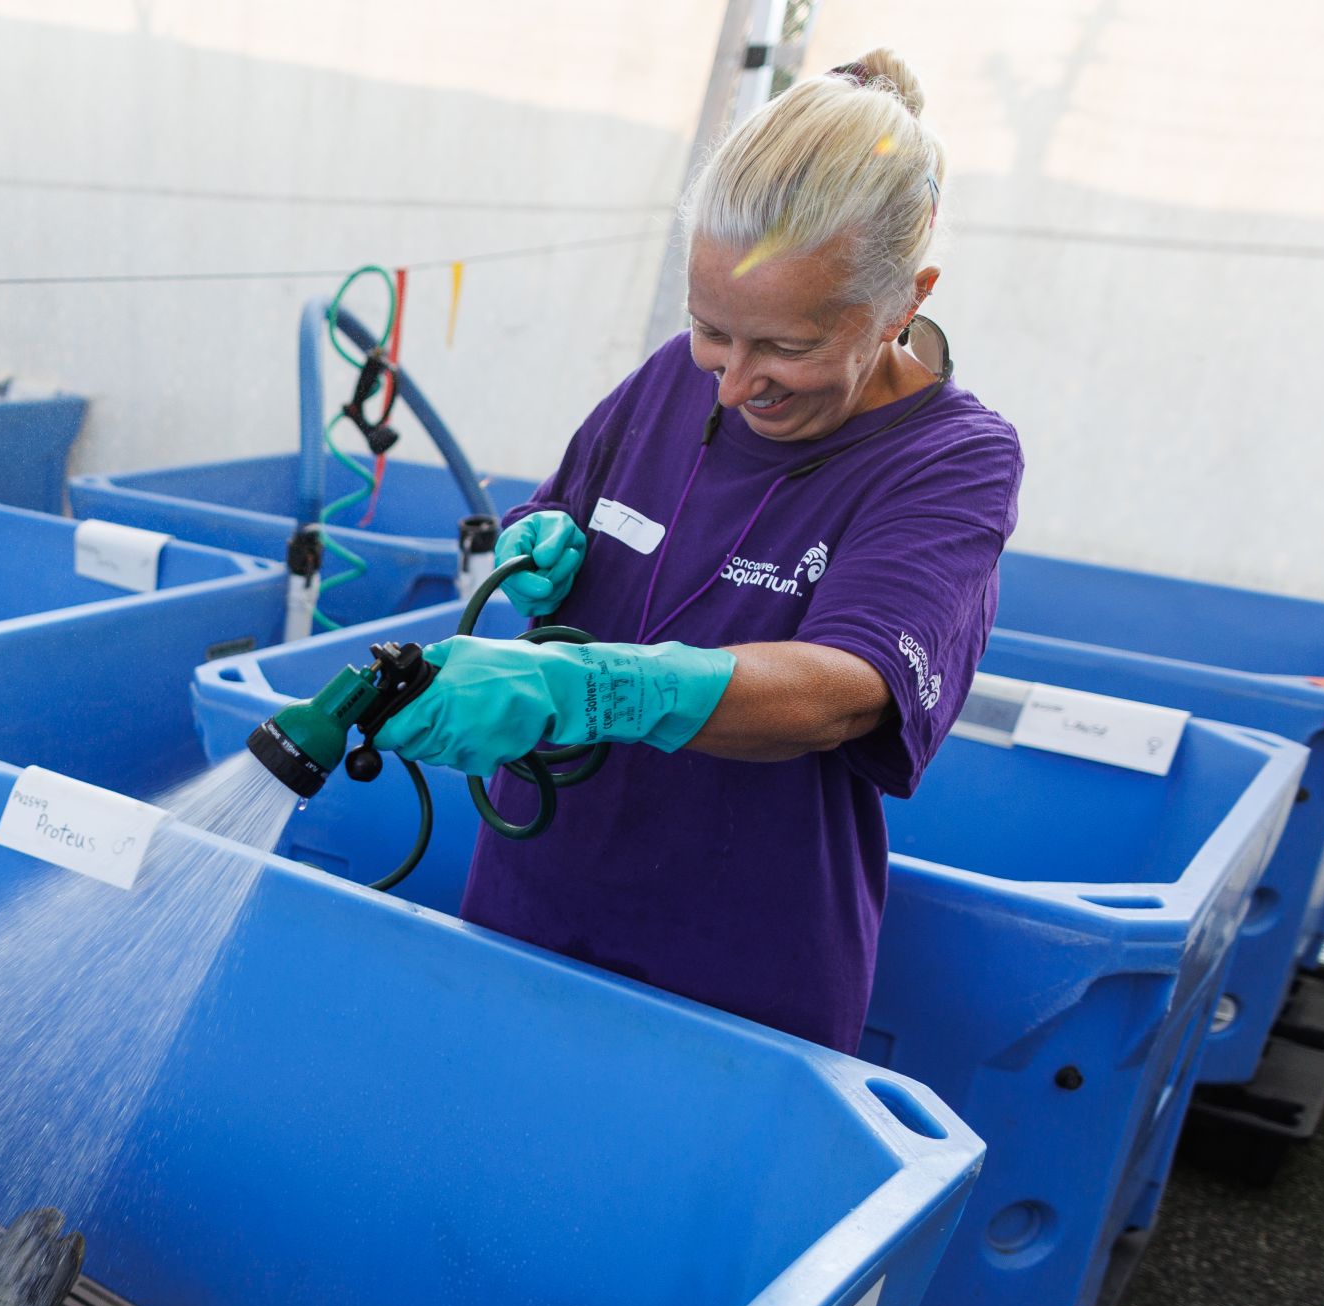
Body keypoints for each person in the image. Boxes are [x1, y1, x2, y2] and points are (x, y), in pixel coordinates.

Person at [369, 50, 1022, 1052]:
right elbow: (566, 506)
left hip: (734, 947)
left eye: (785, 349)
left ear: (903, 300)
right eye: (712, 330)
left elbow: (843, 688)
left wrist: (587, 691)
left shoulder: (951, 459)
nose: (729, 383)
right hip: (536, 885)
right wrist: (537, 543)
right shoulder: (672, 376)